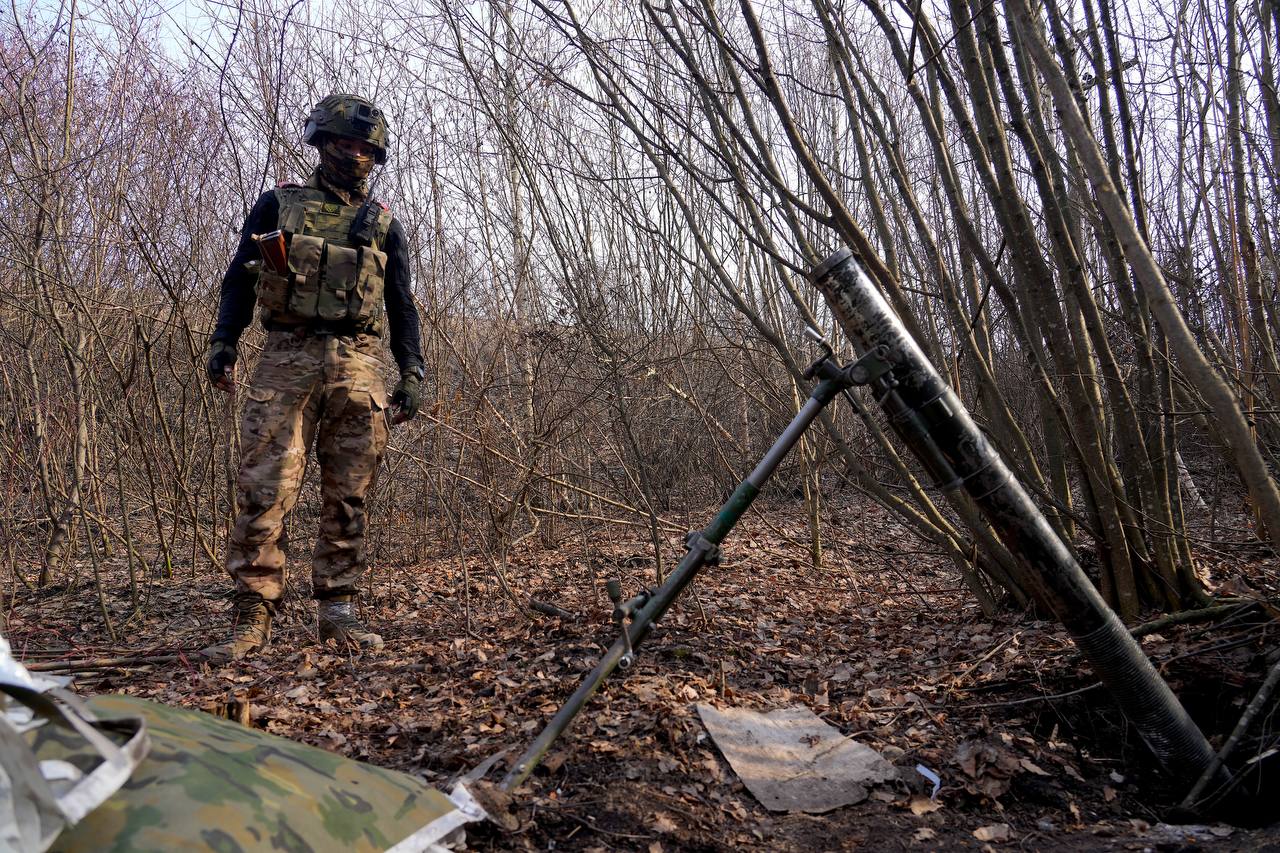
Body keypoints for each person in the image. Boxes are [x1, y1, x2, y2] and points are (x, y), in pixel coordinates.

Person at [201, 94, 424, 661]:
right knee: (264, 489)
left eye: (365, 148)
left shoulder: (383, 224)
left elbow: (401, 303)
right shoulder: (278, 205)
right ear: (322, 144)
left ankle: (337, 612)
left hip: (359, 362)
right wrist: (224, 342)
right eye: (344, 144)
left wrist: (413, 370)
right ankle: (252, 615)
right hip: (286, 357)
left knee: (349, 494)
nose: (355, 156)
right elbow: (239, 280)